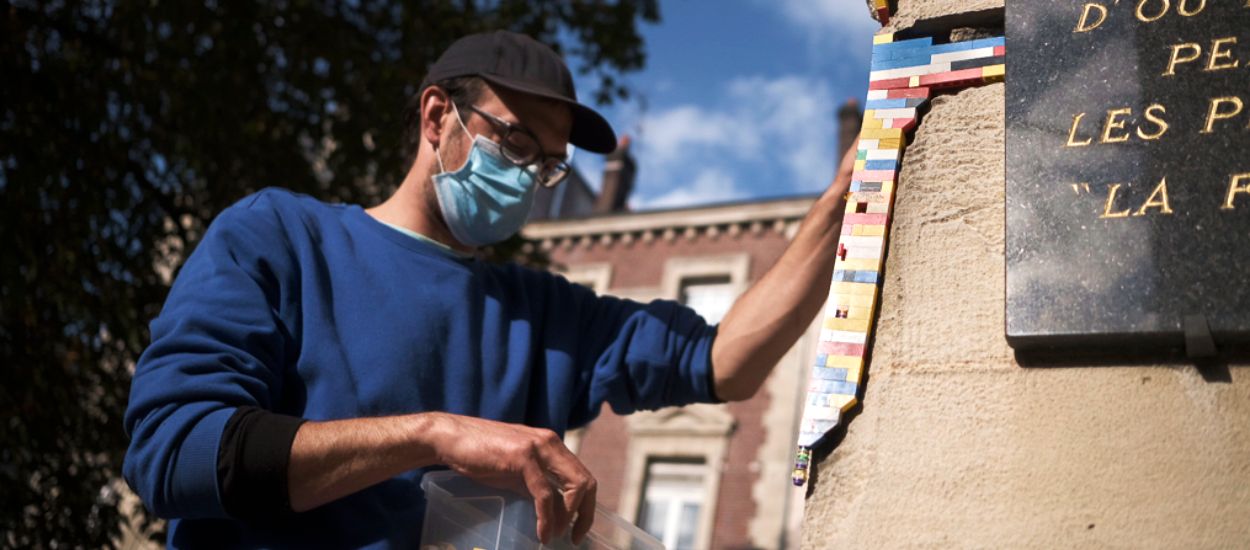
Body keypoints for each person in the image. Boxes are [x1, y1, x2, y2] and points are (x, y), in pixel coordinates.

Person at [123, 30, 856, 548]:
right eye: (515, 143)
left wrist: (848, 195)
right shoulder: (280, 236)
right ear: (437, 115)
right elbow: (174, 452)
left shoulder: (544, 312)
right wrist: (436, 435)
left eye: (547, 166)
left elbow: (728, 360)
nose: (529, 179)